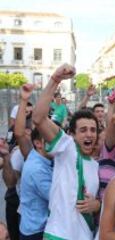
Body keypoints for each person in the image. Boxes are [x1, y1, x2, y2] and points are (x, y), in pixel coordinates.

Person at [32, 64, 100, 240]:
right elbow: (38, 118)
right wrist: (55, 79)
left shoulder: (96, 165)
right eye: (83, 130)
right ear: (72, 134)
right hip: (58, 235)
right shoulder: (67, 148)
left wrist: (97, 205)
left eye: (93, 130)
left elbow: (99, 200)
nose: (89, 134)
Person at [15, 84, 53, 239]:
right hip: (36, 232)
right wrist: (24, 100)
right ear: (38, 143)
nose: (55, 141)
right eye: (50, 139)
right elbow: (57, 198)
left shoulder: (38, 157)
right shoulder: (37, 167)